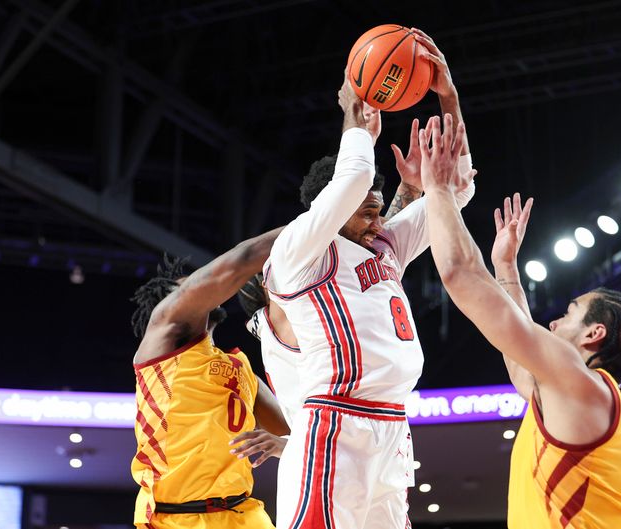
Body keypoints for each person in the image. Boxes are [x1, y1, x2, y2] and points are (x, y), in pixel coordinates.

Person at [264, 32, 475, 529]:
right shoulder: (298, 252)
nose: (379, 224)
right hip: (334, 425)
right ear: (329, 210)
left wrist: (449, 97)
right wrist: (354, 119)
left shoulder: (382, 247)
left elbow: (456, 190)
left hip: (391, 429)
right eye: (368, 216)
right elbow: (354, 178)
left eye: (382, 214)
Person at [419, 116, 621, 529]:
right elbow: (518, 360)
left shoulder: (585, 387)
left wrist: (438, 189)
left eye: (569, 314)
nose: (553, 323)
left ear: (594, 334)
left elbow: (459, 273)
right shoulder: (588, 398)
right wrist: (506, 268)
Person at [229, 142, 426, 466]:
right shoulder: (285, 299)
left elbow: (373, 243)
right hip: (333, 445)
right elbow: (343, 229)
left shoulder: (330, 288)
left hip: (375, 438)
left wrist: (409, 190)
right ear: (268, 285)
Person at [128, 230, 290, 529]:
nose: (199, 289)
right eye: (186, 288)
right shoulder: (162, 348)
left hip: (244, 514)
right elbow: (242, 259)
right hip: (176, 517)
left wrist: (281, 446)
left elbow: (295, 431)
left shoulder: (241, 367)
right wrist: (322, 217)